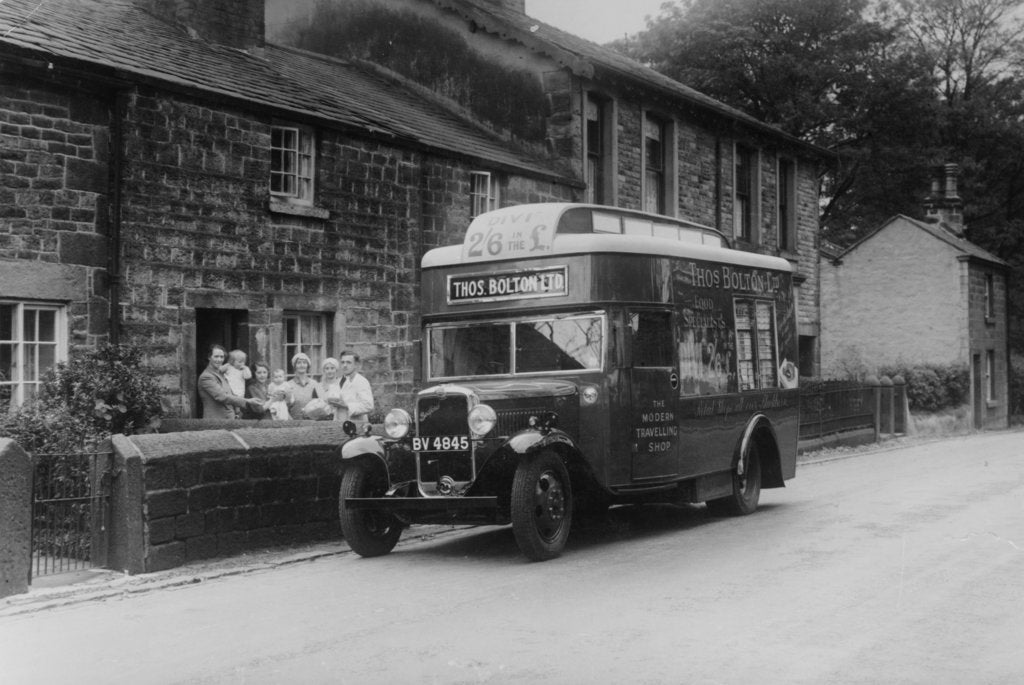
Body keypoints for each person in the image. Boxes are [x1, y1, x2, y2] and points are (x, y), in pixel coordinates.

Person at [198, 344, 262, 419]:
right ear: (209, 357)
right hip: (216, 420)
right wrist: (248, 401)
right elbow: (222, 397)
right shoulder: (206, 376)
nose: (219, 360)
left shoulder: (222, 374)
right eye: (216, 356)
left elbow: (231, 393)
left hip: (228, 420)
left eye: (221, 357)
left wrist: (237, 412)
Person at [328, 350, 374, 428]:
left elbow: (369, 406)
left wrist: (346, 405)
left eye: (348, 362)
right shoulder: (343, 381)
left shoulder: (361, 382)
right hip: (341, 425)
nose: (345, 365)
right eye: (342, 362)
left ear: (356, 365)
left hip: (357, 426)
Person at [287, 352, 319, 420]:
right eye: (299, 363)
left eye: (304, 363)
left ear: (307, 365)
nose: (302, 365)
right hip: (294, 422)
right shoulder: (288, 385)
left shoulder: (314, 384)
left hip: (312, 422)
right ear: (295, 366)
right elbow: (285, 407)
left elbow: (318, 404)